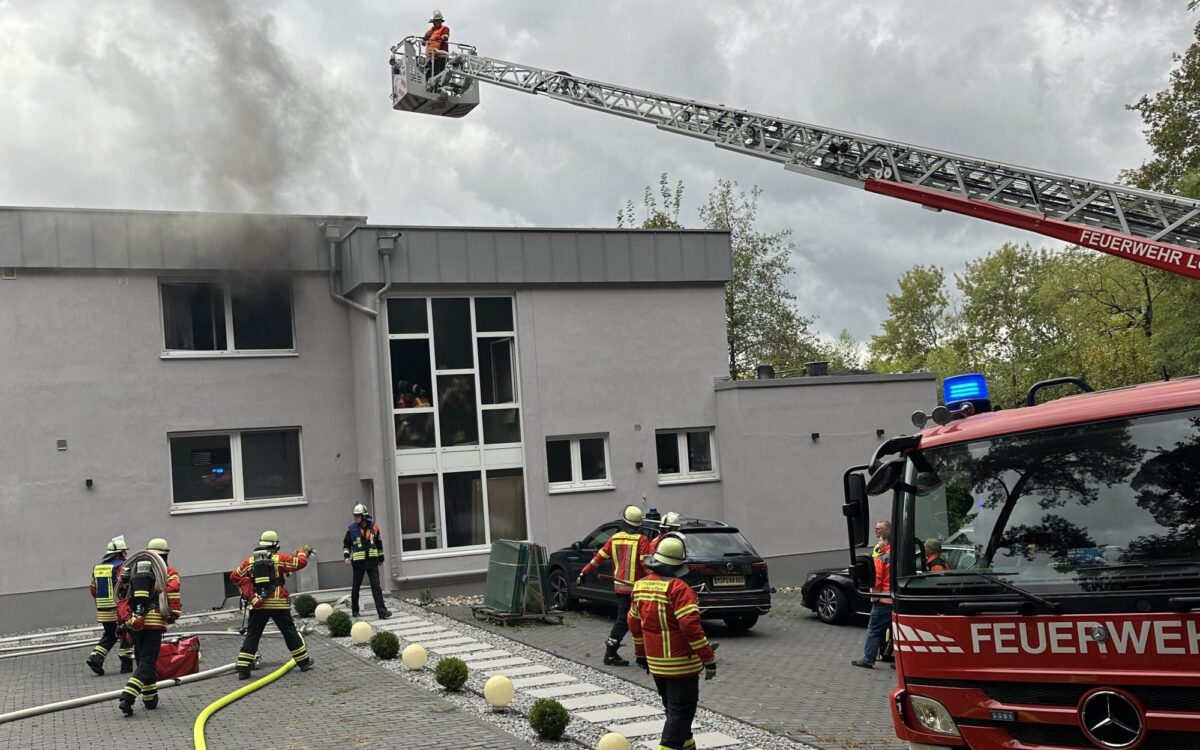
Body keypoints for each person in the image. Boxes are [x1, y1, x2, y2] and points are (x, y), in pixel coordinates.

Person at [628, 534, 717, 750]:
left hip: (655, 662)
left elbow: (633, 622)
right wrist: (708, 658)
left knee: (673, 710)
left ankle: (687, 745)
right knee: (682, 711)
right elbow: (690, 628)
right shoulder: (680, 589)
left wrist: (640, 654)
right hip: (681, 664)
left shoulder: (640, 587)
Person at [230, 531, 315, 679]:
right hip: (278, 603)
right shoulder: (279, 559)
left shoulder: (250, 561)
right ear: (276, 545)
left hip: (258, 604)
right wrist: (301, 552)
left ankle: (243, 668)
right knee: (289, 632)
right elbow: (300, 563)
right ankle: (304, 662)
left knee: (253, 634)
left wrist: (249, 590)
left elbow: (234, 576)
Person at [577, 504, 652, 666]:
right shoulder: (642, 540)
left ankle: (639, 657)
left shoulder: (615, 538)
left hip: (620, 587)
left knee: (629, 620)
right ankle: (612, 653)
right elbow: (646, 565)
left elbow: (599, 557)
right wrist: (657, 580)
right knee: (632, 621)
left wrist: (584, 571)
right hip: (637, 588)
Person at [117, 538, 182, 716]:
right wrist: (173, 614)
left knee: (143, 660)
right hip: (154, 622)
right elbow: (173, 592)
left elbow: (122, 592)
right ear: (166, 554)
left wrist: (131, 617)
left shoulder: (134, 569)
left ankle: (150, 698)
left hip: (135, 622)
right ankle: (128, 696)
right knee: (148, 661)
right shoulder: (168, 572)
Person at [86, 538, 133, 675]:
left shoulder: (98, 567)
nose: (126, 554)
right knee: (126, 633)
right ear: (120, 553)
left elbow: (93, 589)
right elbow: (126, 586)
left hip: (102, 608)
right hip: (118, 608)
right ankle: (126, 665)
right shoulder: (121, 566)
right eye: (124, 551)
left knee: (110, 634)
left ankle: (96, 658)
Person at [852, 521, 892, 669]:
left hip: (883, 599)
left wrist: (874, 597)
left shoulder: (881, 558)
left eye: (881, 540)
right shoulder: (897, 554)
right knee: (894, 632)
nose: (878, 542)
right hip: (894, 598)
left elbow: (877, 580)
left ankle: (868, 659)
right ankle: (893, 658)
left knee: (873, 630)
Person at [343, 504, 391, 619]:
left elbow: (379, 544)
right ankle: (355, 611)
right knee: (356, 587)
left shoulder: (374, 527)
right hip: (358, 563)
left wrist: (381, 558)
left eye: (358, 516)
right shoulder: (351, 529)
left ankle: (382, 612)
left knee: (376, 587)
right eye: (355, 516)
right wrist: (346, 556)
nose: (355, 518)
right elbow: (346, 545)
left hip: (372, 561)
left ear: (364, 516)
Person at [422, 10, 450, 79]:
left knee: (437, 75)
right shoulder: (431, 31)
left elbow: (445, 37)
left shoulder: (444, 29)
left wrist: (437, 38)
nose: (438, 22)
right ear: (433, 22)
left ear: (441, 20)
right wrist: (424, 39)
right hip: (432, 56)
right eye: (436, 21)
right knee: (427, 74)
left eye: (439, 20)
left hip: (441, 56)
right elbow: (424, 41)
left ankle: (437, 86)